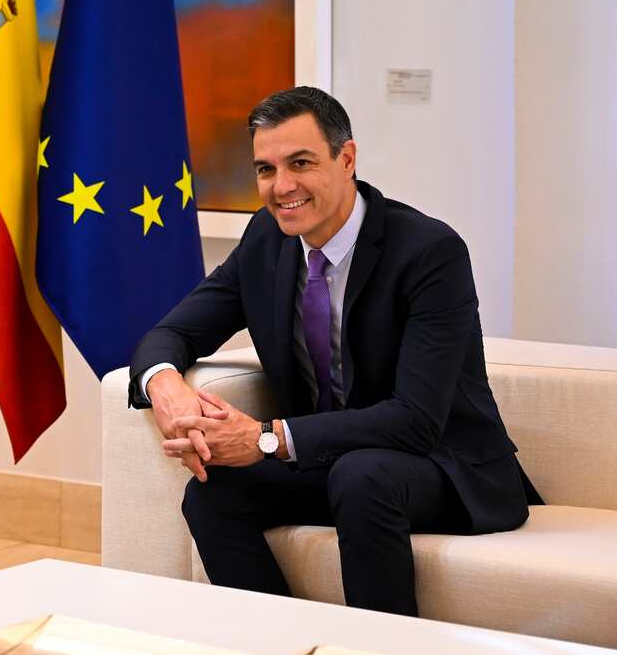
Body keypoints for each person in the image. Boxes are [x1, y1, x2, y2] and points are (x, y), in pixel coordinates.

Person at [129, 87, 538, 617]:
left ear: (346, 159)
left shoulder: (429, 252)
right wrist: (167, 390)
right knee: (214, 492)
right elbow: (169, 334)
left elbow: (416, 421)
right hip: (337, 462)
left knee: (363, 475)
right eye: (266, 170)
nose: (282, 187)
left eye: (300, 163)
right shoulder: (267, 240)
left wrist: (267, 439)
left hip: (444, 468)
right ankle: (281, 643)